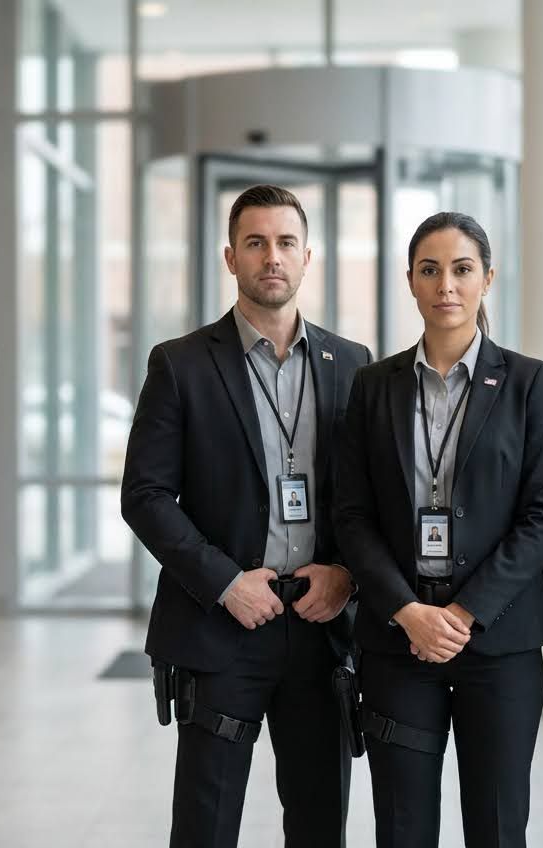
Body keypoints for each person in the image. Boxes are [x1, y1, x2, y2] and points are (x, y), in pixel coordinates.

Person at [121, 184, 373, 847]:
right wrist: (225, 582)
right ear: (230, 258)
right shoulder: (180, 365)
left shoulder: (352, 365)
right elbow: (143, 495)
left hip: (320, 630)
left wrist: (346, 573)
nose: (272, 257)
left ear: (307, 256)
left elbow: (367, 497)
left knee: (321, 823)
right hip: (220, 626)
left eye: (286, 243)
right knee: (205, 824)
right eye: (255, 243)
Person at [334, 212, 543, 848]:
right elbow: (351, 516)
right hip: (398, 644)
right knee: (402, 826)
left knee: (497, 824)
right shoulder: (372, 386)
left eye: (462, 269)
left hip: (498, 646)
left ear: (487, 278)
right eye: (430, 270)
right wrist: (407, 610)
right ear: (410, 280)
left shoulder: (528, 383)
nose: (447, 285)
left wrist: (465, 611)